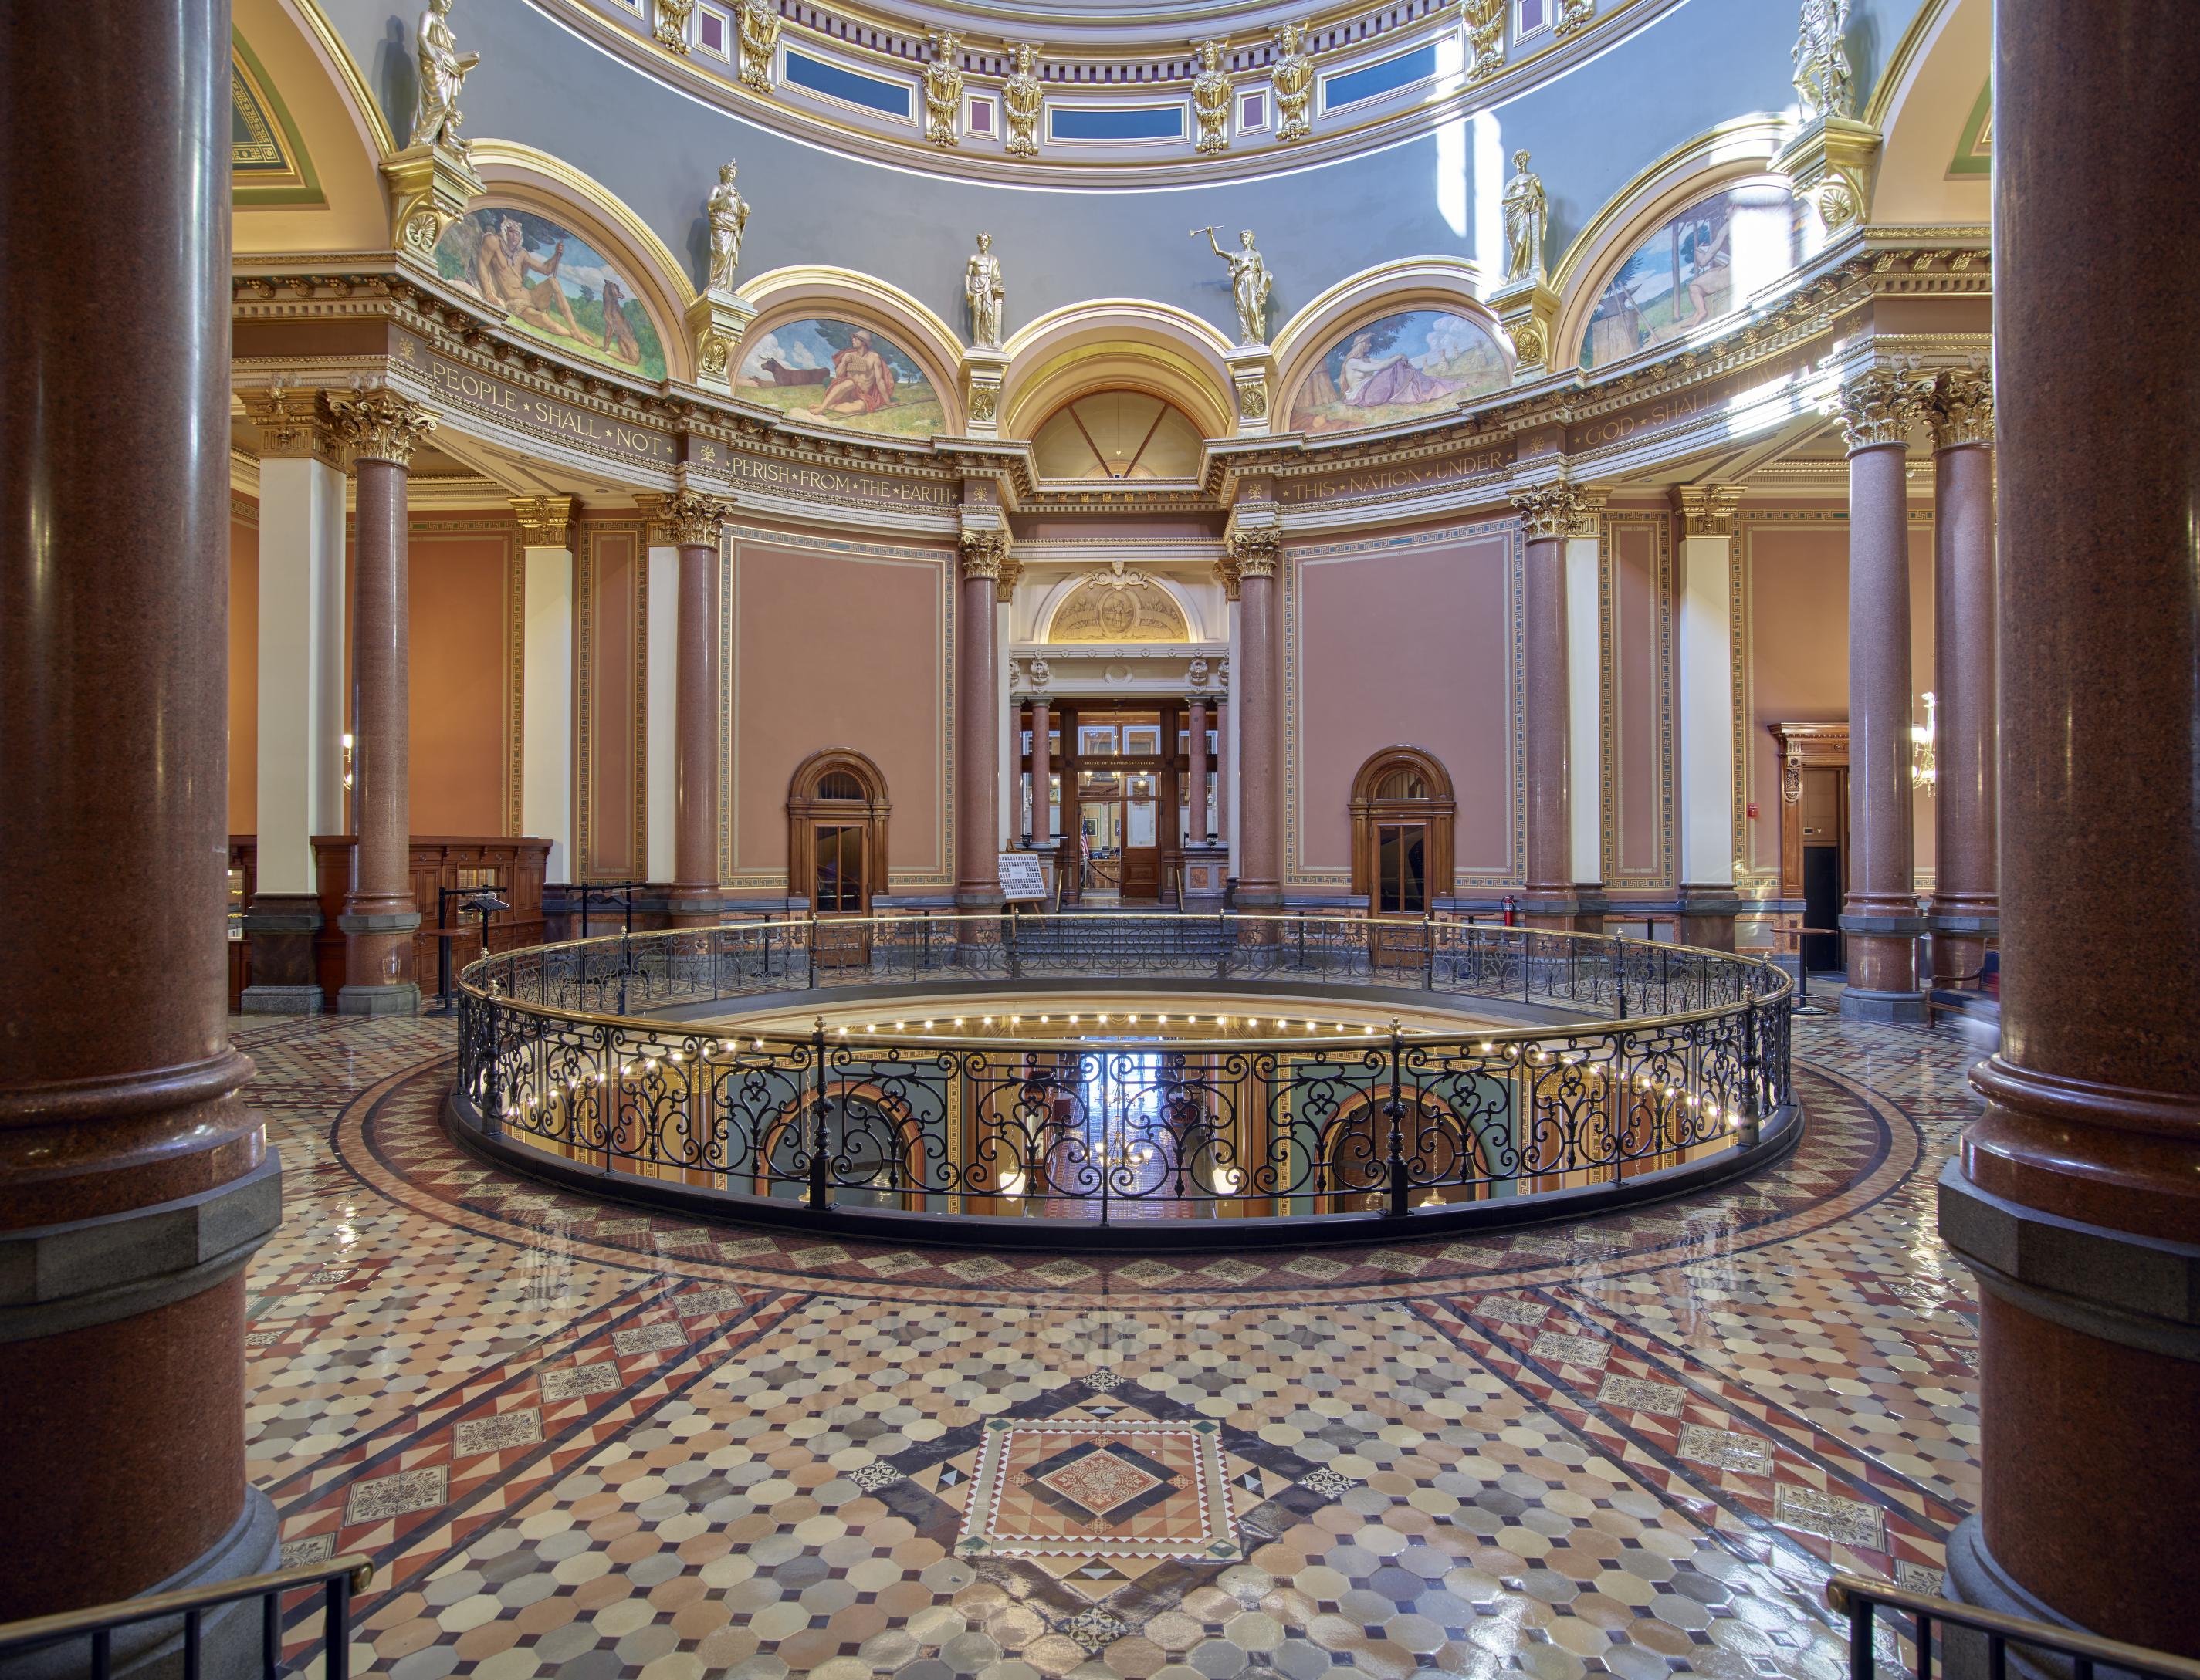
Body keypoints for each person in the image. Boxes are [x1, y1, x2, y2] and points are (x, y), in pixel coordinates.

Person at [472, 216, 584, 341]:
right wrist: (488, 293)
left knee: (553, 282)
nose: (515, 236)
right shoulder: (494, 242)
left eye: (517, 233)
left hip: (531, 296)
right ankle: (573, 335)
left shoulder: (522, 254)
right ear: (504, 231)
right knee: (543, 318)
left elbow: (546, 270)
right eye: (511, 232)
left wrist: (556, 255)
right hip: (517, 304)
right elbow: (483, 263)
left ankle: (575, 329)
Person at [1337, 332, 1456, 407]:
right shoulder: (1352, 363)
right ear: (1362, 344)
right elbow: (1381, 366)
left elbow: (1383, 362)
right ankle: (1420, 390)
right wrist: (1398, 357)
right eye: (1368, 343)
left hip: (1370, 392)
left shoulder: (1365, 359)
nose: (1370, 345)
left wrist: (1396, 358)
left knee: (1396, 363)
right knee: (1393, 365)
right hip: (1363, 397)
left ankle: (1421, 388)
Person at [811, 330, 896, 416]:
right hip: (846, 392)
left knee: (860, 408)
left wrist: (888, 402)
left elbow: (879, 381)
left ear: (863, 342)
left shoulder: (874, 357)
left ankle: (825, 406)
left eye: (855, 338)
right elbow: (839, 375)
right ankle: (821, 409)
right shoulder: (848, 355)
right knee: (850, 383)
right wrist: (844, 364)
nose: (852, 340)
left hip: (862, 395)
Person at [600, 277, 641, 365]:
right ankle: (606, 348)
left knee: (619, 337)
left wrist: (606, 348)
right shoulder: (610, 307)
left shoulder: (612, 310)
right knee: (619, 338)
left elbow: (609, 331)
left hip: (632, 353)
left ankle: (608, 349)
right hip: (630, 349)